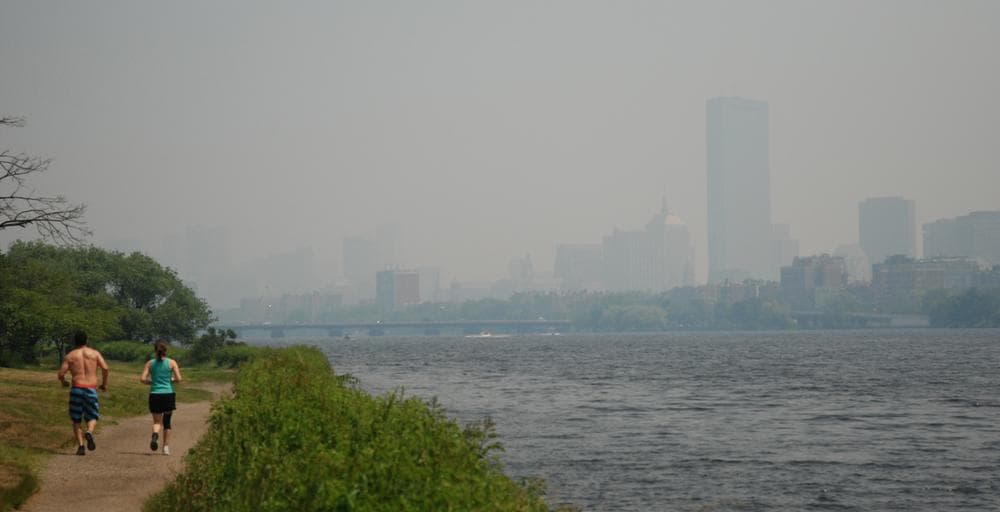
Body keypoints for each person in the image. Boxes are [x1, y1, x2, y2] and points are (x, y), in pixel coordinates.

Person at [57, 330, 110, 456]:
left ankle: (81, 446)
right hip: (91, 387)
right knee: (92, 416)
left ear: (74, 341)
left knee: (76, 419)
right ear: (87, 340)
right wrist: (104, 383)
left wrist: (64, 382)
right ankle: (90, 432)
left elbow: (61, 374)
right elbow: (105, 368)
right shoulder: (94, 353)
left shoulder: (70, 356)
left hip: (76, 388)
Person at [140, 340, 182, 455]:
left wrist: (151, 383)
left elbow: (142, 379)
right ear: (166, 351)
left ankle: (155, 434)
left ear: (155, 350)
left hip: (155, 394)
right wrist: (171, 380)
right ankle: (166, 448)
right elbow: (178, 379)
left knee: (157, 421)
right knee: (167, 422)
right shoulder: (172, 363)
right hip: (168, 394)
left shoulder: (150, 363)